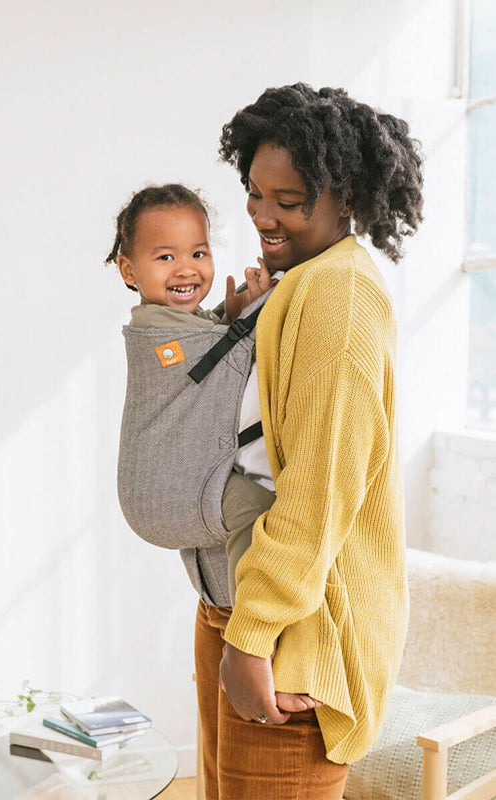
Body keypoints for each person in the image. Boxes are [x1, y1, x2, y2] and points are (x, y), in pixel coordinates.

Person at [193, 83, 424, 800]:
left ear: (345, 194)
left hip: (292, 632)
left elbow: (320, 490)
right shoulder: (298, 282)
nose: (262, 215)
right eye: (254, 193)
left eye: (287, 201)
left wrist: (252, 634)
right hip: (238, 605)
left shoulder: (339, 293)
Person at [106, 182, 322, 715]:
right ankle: (269, 655)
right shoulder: (156, 335)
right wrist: (271, 299)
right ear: (128, 270)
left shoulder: (178, 324)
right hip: (166, 490)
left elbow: (208, 346)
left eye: (198, 253)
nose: (186, 269)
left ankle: (229, 609)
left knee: (222, 535)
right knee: (255, 509)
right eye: (165, 257)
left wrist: (232, 308)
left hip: (173, 494)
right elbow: (220, 358)